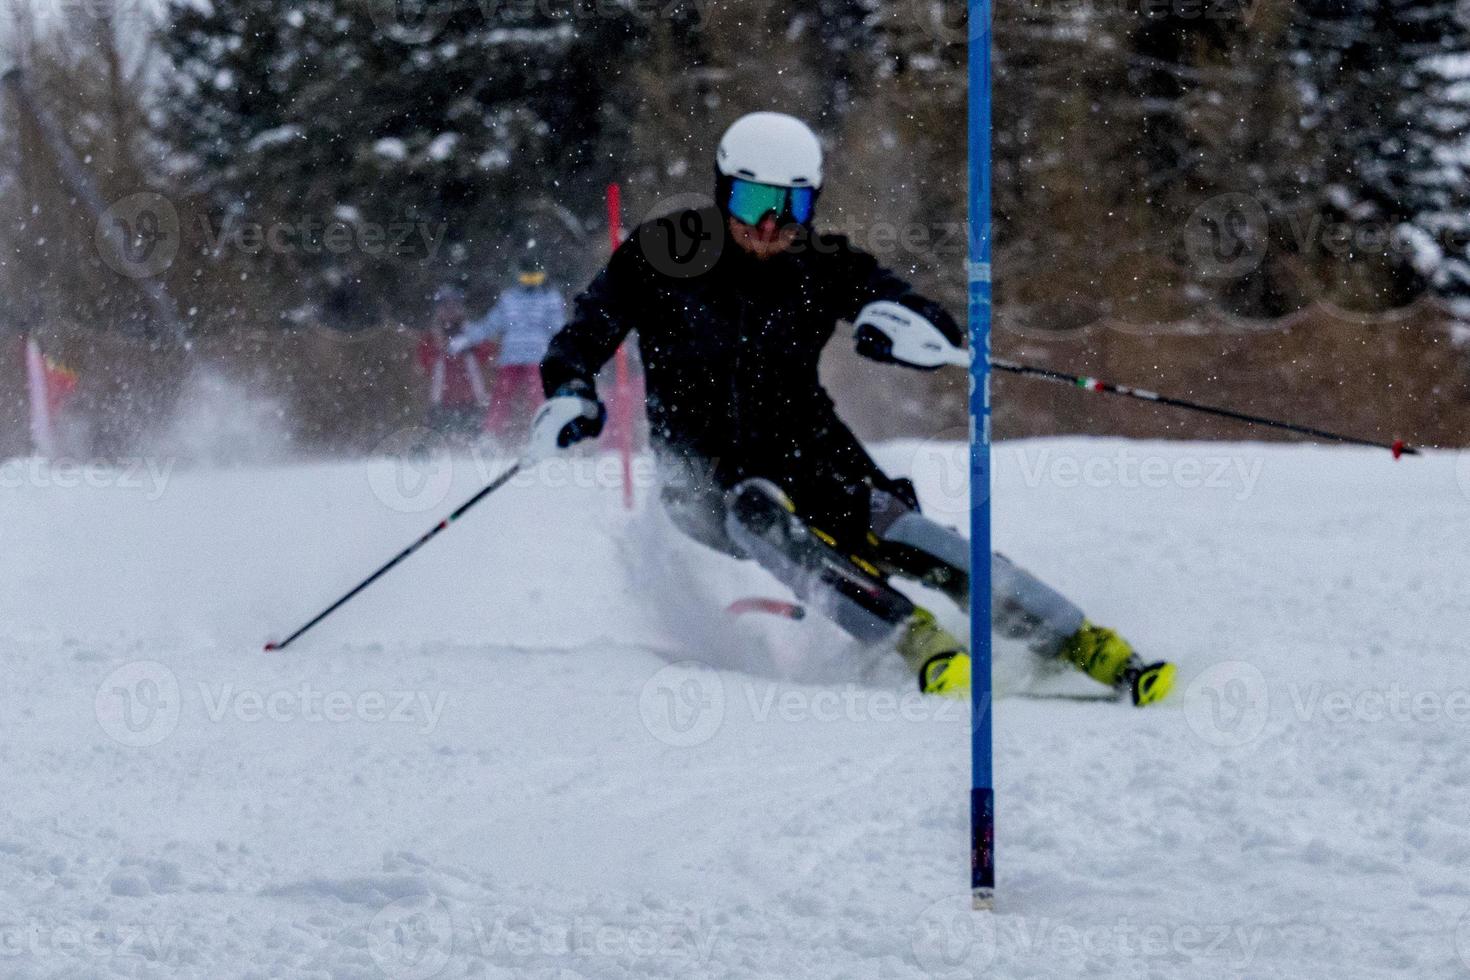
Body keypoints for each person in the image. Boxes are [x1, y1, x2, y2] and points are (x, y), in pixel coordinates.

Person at [530, 111, 1175, 705]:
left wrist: (907, 330)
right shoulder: (664, 253)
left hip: (806, 448)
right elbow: (586, 332)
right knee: (756, 512)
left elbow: (907, 308)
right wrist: (570, 392)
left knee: (904, 533)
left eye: (793, 206)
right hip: (702, 475)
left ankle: (1079, 640)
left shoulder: (820, 263)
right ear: (723, 190)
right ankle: (910, 637)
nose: (770, 224)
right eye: (755, 201)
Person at [450, 258, 566, 441]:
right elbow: (491, 324)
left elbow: (558, 328)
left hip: (537, 357)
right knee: (501, 396)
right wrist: (467, 338)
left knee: (538, 395)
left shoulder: (550, 298)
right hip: (511, 357)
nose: (530, 282)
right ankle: (490, 435)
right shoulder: (509, 298)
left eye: (534, 277)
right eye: (527, 277)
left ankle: (546, 434)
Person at [417, 285, 492, 440]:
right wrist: (439, 350)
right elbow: (424, 361)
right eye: (445, 306)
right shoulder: (432, 336)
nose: (450, 311)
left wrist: (469, 347)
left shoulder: (472, 332)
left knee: (478, 432)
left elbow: (486, 355)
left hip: (471, 399)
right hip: (441, 400)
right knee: (432, 433)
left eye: (454, 305)